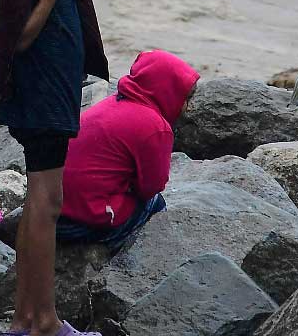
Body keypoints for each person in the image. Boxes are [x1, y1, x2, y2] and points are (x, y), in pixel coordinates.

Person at [0, 0, 109, 336]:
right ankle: (43, 320)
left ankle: (25, 316)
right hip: (38, 96)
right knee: (47, 205)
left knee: (40, 205)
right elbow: (16, 39)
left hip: (53, 93)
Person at [58, 50, 198, 250]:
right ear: (169, 91)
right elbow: (152, 186)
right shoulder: (156, 127)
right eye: (186, 98)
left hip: (53, 211)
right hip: (83, 224)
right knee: (156, 204)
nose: (188, 107)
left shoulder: (112, 103)